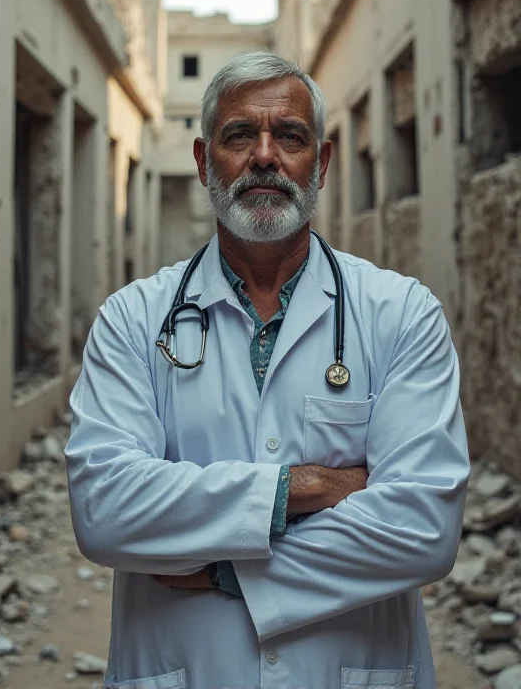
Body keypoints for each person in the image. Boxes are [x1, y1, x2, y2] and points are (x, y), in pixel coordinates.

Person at [65, 51, 469, 689]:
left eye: (289, 135)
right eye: (237, 136)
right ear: (203, 162)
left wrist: (227, 570)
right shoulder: (133, 320)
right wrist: (307, 487)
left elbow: (422, 530)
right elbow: (106, 510)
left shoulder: (402, 314)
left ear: (323, 163)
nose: (263, 155)